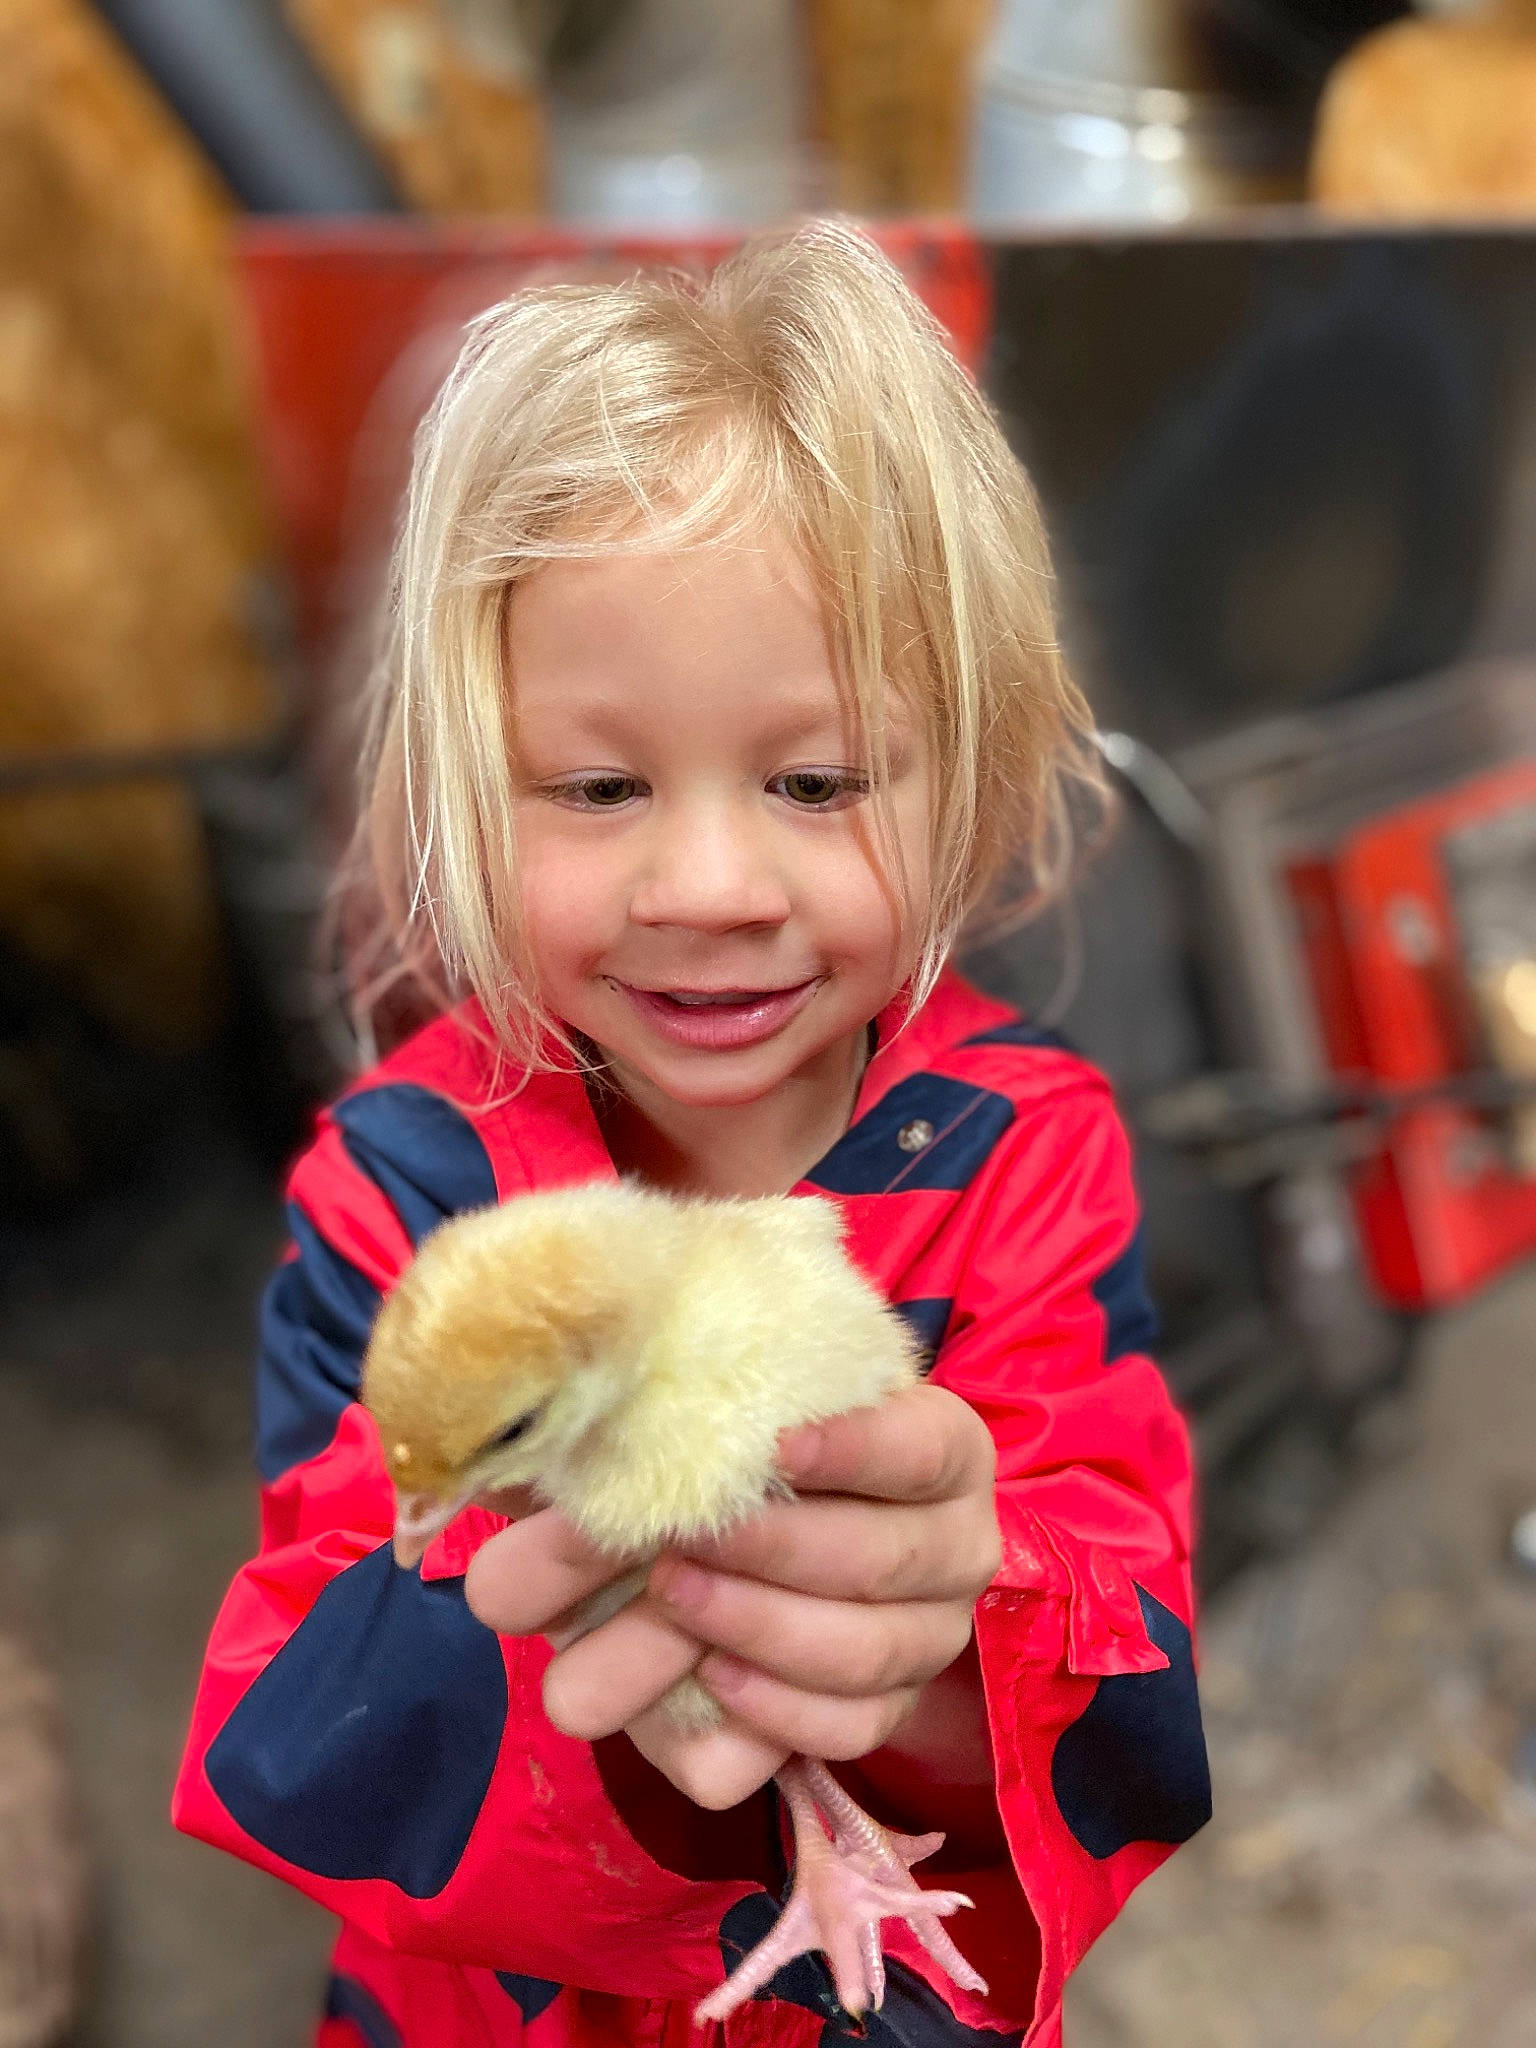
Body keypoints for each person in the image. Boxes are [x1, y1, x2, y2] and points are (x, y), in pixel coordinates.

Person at [173, 220, 1209, 2048]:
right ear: (463, 796)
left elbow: (1128, 1646)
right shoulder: (404, 1198)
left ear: (967, 787)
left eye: (815, 782)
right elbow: (296, 1732)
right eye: (599, 786)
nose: (712, 884)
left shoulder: (1017, 1156)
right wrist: (539, 1649)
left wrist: (941, 1637)